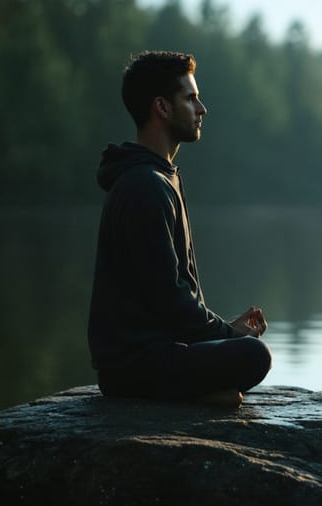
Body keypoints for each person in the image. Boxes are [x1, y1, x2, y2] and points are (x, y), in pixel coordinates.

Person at [88, 51, 271, 407]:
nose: (201, 108)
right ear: (163, 108)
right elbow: (167, 296)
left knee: (244, 349)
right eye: (190, 98)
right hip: (133, 368)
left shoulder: (160, 177)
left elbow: (171, 298)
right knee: (254, 355)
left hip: (157, 353)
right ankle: (193, 394)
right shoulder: (144, 186)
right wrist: (225, 334)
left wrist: (223, 331)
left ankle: (200, 391)